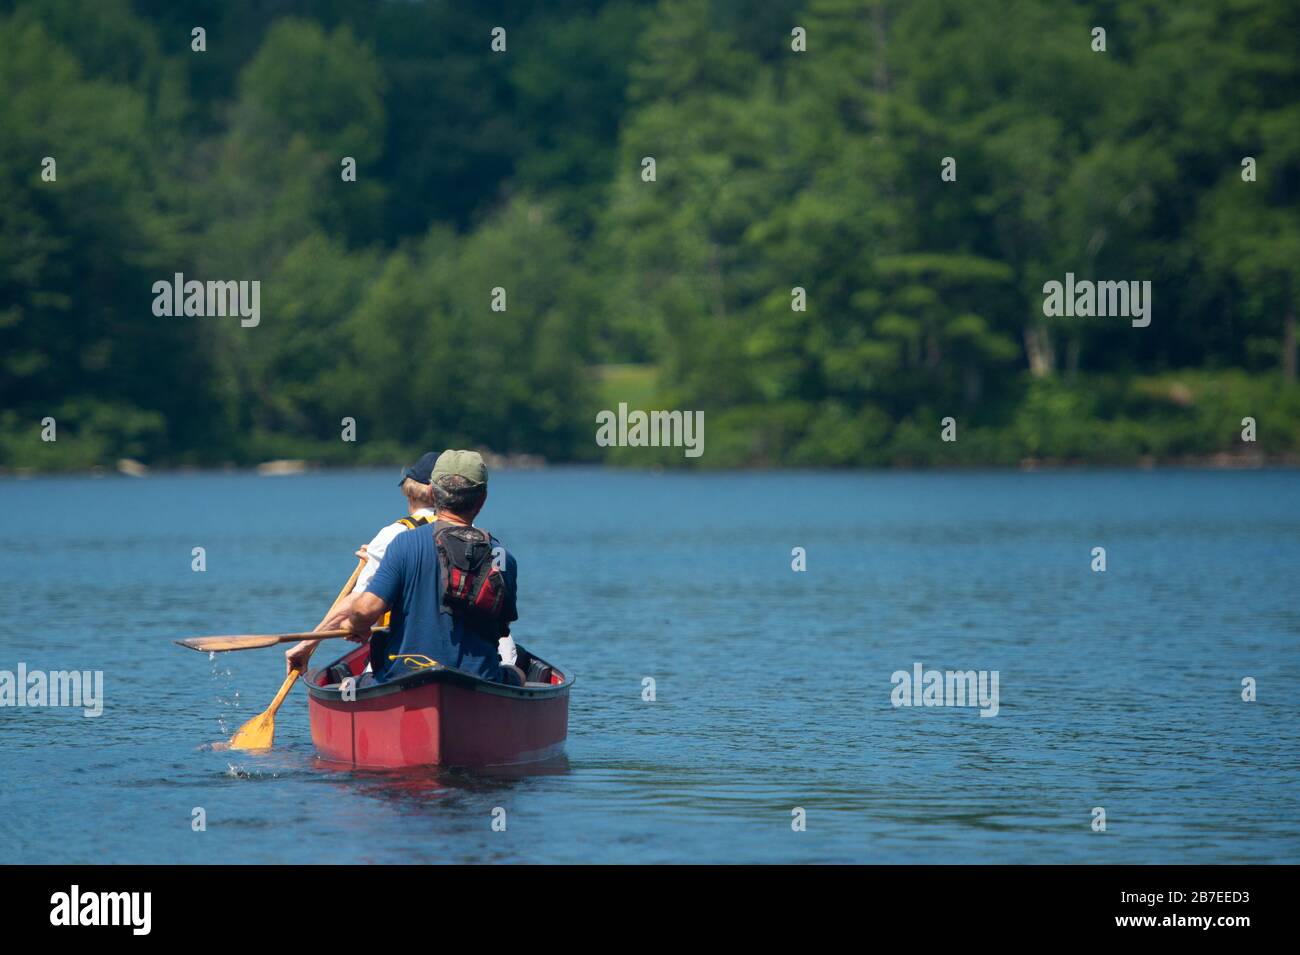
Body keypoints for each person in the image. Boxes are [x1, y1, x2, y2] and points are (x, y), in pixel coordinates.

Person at [321, 449, 523, 686]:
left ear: (433, 493)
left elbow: (365, 610)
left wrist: (355, 624)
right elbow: (503, 628)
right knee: (519, 676)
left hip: (405, 678)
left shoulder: (403, 543)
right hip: (480, 681)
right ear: (482, 499)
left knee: (351, 685)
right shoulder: (502, 556)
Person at [284, 452, 441, 676]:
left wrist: (307, 645)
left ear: (410, 494)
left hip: (402, 656)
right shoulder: (469, 533)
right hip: (457, 655)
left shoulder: (394, 535)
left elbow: (358, 602)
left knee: (346, 679)